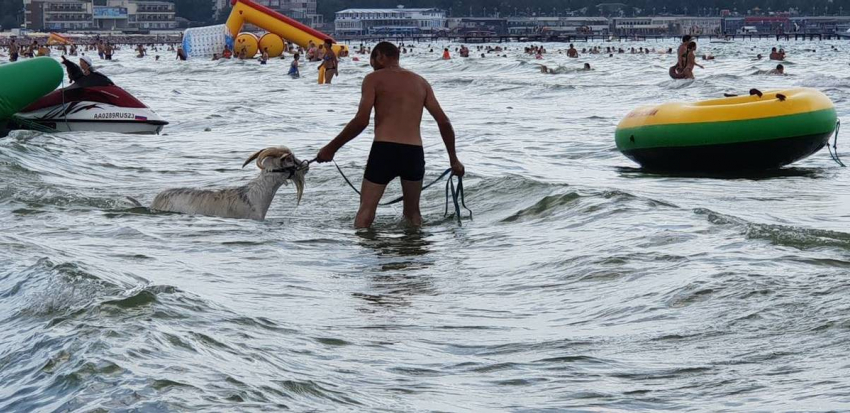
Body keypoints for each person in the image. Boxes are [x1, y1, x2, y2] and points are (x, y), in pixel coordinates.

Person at [315, 42, 464, 228]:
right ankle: (412, 254)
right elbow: (444, 122)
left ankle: (362, 254)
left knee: (366, 211)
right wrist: (453, 160)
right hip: (414, 152)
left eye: (372, 59)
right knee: (413, 213)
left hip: (384, 149)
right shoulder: (421, 82)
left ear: (381, 57)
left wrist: (331, 149)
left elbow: (361, 121)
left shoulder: (373, 79)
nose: (372, 64)